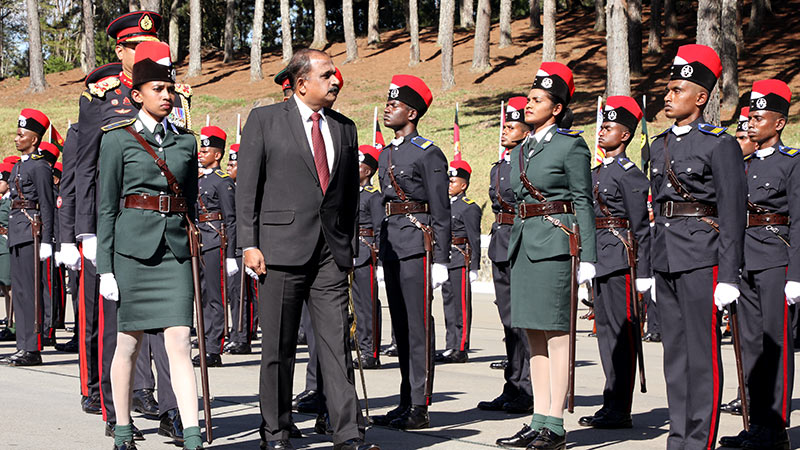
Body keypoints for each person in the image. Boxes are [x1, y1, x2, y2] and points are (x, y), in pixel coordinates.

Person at [237, 48, 378, 450]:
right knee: (278, 349)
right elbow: (247, 188)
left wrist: (347, 246)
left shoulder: (345, 128)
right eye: (328, 75)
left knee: (336, 345)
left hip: (329, 255)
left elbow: (348, 195)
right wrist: (248, 243)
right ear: (302, 84)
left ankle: (347, 432)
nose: (336, 81)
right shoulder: (265, 120)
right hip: (278, 252)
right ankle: (276, 432)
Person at [70, 12, 186, 441]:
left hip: (164, 225)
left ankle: (175, 411)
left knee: (170, 324)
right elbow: (85, 172)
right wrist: (85, 233)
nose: (144, 53)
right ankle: (115, 412)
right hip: (117, 225)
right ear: (121, 51)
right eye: (135, 46)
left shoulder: (176, 96)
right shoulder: (101, 99)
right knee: (119, 322)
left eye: (149, 45)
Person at [95, 40, 203, 450]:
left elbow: (189, 202)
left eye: (170, 88)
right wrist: (105, 266)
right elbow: (106, 208)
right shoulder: (116, 139)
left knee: (179, 342)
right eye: (158, 89)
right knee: (129, 344)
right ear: (137, 94)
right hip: (131, 254)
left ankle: (192, 434)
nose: (167, 95)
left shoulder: (185, 142)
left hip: (173, 252)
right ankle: (123, 428)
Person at [648, 44, 746, 450]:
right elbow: (655, 209)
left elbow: (733, 212)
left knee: (701, 355)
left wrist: (729, 274)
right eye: (668, 89)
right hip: (666, 257)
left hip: (703, 258)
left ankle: (699, 440)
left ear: (701, 97)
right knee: (674, 356)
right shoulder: (657, 146)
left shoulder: (718, 145)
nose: (668, 96)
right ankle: (678, 437)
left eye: (677, 89)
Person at [496, 62, 596, 450]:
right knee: (533, 334)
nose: (528, 105)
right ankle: (538, 417)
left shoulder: (570, 145)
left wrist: (586, 254)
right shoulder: (522, 148)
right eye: (529, 99)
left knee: (556, 335)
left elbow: (584, 201)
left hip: (555, 245)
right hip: (523, 243)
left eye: (537, 100)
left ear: (556, 108)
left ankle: (554, 422)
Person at [718, 79, 795, 450]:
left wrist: (796, 275)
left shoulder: (792, 163)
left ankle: (775, 428)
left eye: (759, 117)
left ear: (778, 123)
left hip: (775, 262)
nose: (749, 123)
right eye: (749, 116)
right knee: (748, 343)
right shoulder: (741, 166)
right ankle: (754, 422)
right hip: (744, 260)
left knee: (774, 344)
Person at [371, 74, 451, 431]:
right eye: (388, 103)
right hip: (391, 243)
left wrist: (442, 260)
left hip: (418, 245)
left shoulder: (428, 152)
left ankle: (420, 404)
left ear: (413, 112)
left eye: (395, 104)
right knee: (401, 327)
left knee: (418, 327)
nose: (388, 108)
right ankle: (405, 400)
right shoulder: (387, 152)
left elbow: (441, 208)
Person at [578, 96, 651, 429]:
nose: (601, 132)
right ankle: (611, 402)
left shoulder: (631, 176)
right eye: (601, 126)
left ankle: (620, 407)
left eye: (608, 127)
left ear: (625, 135)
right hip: (600, 258)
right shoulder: (594, 173)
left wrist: (643, 273)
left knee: (623, 336)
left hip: (622, 260)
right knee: (605, 333)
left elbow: (641, 228)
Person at [478, 96, 533, 415]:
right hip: (501, 243)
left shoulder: (528, 163)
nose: (504, 130)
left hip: (522, 243)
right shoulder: (499, 166)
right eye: (504, 125)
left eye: (512, 126)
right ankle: (512, 384)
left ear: (526, 132)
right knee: (508, 323)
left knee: (524, 321)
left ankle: (527, 388)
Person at [0, 109, 55, 367]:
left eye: (21, 135)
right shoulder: (21, 166)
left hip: (32, 233)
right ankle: (22, 345)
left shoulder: (40, 166)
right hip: (18, 232)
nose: (16, 138)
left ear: (34, 139)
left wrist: (47, 240)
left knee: (31, 293)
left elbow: (47, 204)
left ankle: (33, 348)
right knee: (20, 292)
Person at [193, 125, 238, 366]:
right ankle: (203, 342)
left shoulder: (223, 182)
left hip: (215, 242)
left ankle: (214, 347)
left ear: (218, 155)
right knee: (200, 296)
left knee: (215, 296)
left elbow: (231, 220)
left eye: (206, 149)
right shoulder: (197, 179)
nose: (201, 152)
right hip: (198, 241)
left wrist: (231, 254)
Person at [437, 160, 481, 364]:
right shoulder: (443, 205)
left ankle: (461, 347)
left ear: (463, 185)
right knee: (448, 304)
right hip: (447, 259)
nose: (449, 185)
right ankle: (450, 345)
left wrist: (474, 267)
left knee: (461, 306)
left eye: (453, 181)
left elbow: (475, 239)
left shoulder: (468, 208)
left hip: (460, 259)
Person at [352, 144, 384, 370]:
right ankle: (357, 345)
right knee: (353, 306)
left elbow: (381, 229)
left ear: (368, 170)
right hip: (350, 253)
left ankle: (370, 352)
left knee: (367, 306)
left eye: (359, 165)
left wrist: (380, 262)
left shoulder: (374, 197)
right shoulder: (349, 192)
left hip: (366, 253)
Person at [0, 163, 14, 341]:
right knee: (4, 288)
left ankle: (15, 325)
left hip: (7, 245)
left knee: (11, 288)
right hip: (1, 246)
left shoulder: (11, 200)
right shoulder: (3, 199)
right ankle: (9, 323)